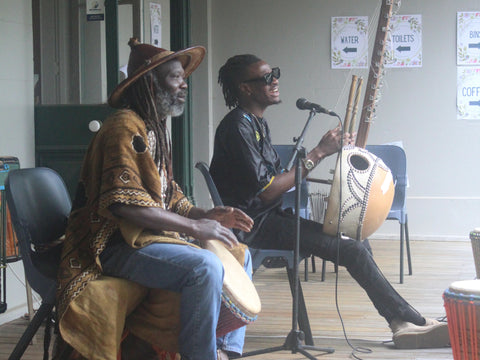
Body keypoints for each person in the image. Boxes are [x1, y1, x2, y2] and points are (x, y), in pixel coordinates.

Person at [210, 54, 450, 350]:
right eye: (266, 77)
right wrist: (318, 153)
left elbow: (276, 182)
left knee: (355, 239)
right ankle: (412, 320)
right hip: (252, 225)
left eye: (275, 73)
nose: (275, 81)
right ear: (245, 89)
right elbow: (267, 191)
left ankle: (401, 322)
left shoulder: (254, 123)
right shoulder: (237, 127)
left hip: (270, 218)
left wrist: (322, 162)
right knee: (351, 250)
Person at [56, 39, 254, 360]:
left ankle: (225, 351)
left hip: (146, 240)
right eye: (176, 77)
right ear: (150, 82)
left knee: (239, 254)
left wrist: (208, 215)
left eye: (183, 78)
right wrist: (196, 228)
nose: (184, 85)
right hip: (112, 247)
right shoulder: (123, 128)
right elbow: (125, 206)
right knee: (204, 267)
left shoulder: (153, 129)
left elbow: (167, 194)